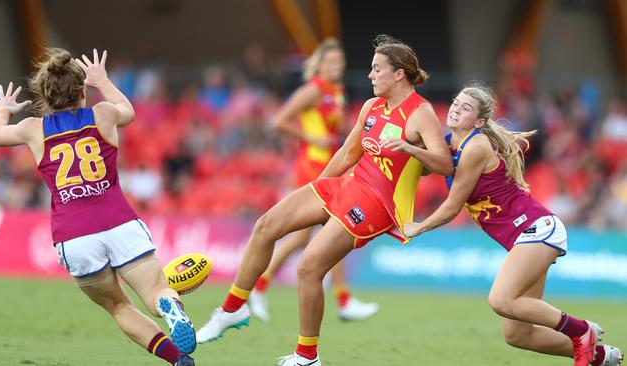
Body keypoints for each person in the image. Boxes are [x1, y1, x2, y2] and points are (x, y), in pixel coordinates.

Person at [197, 35, 454, 366]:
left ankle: (307, 357)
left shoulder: (421, 113)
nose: (370, 75)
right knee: (265, 226)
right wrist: (318, 189)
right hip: (347, 183)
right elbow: (348, 152)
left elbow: (444, 164)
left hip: (378, 203)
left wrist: (411, 149)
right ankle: (231, 310)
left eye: (377, 69)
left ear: (399, 73)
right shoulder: (371, 107)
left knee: (309, 267)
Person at [0, 48, 196, 366]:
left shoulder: (34, 129)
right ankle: (169, 306)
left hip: (74, 236)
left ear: (45, 95)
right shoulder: (103, 114)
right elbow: (128, 109)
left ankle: (177, 360)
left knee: (119, 307)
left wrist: (4, 109)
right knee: (155, 292)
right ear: (83, 91)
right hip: (120, 222)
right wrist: (103, 80)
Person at [402, 82, 624, 366]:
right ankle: (600, 355)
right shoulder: (450, 143)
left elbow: (452, 206)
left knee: (500, 300)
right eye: (456, 102)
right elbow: (425, 167)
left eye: (466, 107)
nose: (456, 107)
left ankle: (582, 330)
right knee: (518, 335)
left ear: (480, 122)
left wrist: (418, 227)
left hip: (537, 228)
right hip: (529, 235)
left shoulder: (476, 146)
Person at [249, 38, 378, 322]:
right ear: (318, 65)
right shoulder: (312, 91)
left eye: (340, 62)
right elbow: (279, 120)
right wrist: (310, 138)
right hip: (312, 165)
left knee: (302, 239)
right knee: (336, 228)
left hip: (330, 164)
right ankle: (343, 300)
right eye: (330, 62)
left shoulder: (336, 92)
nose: (336, 66)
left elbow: (336, 127)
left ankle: (259, 286)